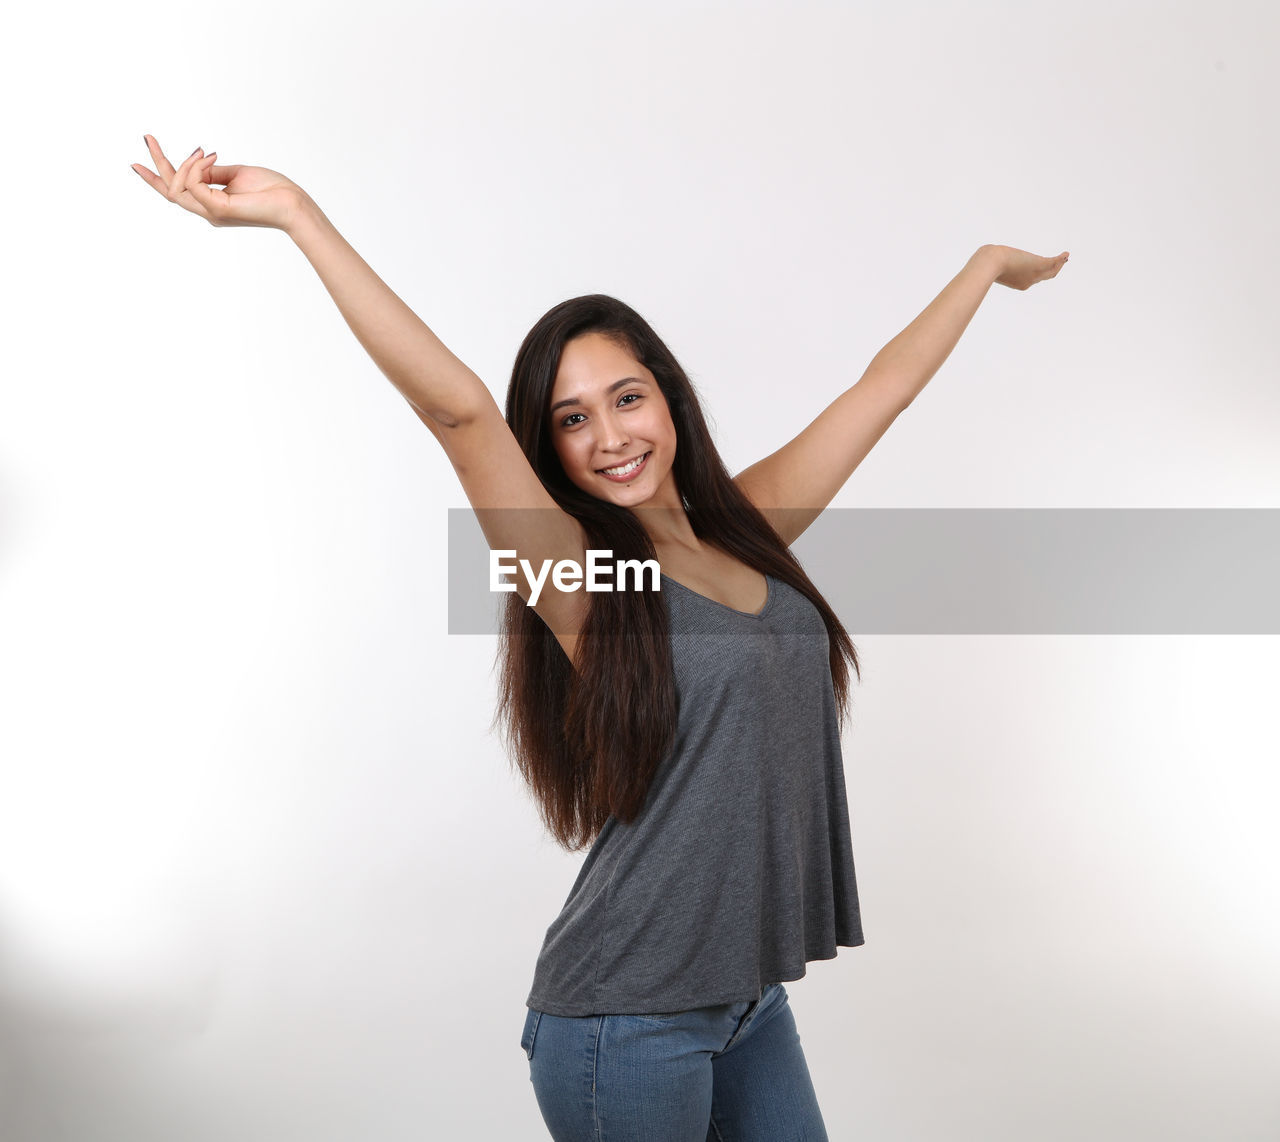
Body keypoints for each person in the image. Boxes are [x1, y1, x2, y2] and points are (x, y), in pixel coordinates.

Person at [132, 137, 1069, 1141]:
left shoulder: (744, 524)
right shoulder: (581, 579)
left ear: (666, 395)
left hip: (745, 1004)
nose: (609, 437)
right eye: (570, 419)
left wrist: (981, 267)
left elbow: (877, 389)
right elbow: (455, 411)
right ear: (551, 449)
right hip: (624, 1020)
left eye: (625, 398)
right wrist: (297, 216)